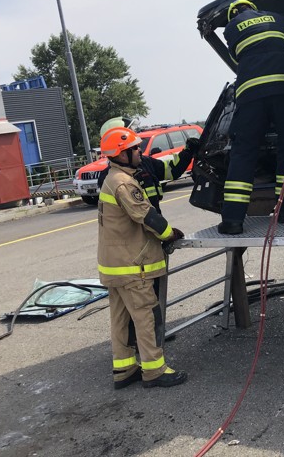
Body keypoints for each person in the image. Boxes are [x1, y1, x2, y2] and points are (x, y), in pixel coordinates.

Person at [97, 127, 187, 389]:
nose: (139, 151)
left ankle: (124, 369)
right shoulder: (124, 183)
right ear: (122, 154)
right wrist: (170, 234)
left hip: (115, 267)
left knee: (121, 320)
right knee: (147, 316)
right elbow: (146, 216)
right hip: (131, 266)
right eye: (134, 148)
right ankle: (154, 370)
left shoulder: (112, 178)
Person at [217, 0, 284, 234]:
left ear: (234, 14)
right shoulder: (278, 17)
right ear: (254, 8)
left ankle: (233, 220)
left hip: (250, 95)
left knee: (243, 153)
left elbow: (236, 59)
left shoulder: (232, 28)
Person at [98, 117, 199, 214]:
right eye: (133, 145)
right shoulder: (108, 179)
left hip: (154, 225)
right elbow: (139, 216)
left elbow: (172, 171)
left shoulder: (144, 162)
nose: (139, 148)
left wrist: (188, 151)